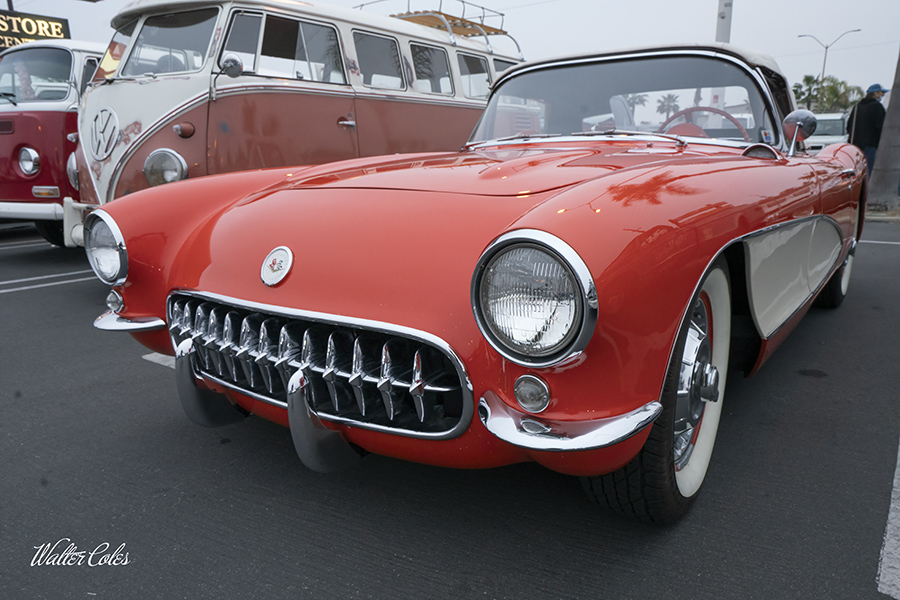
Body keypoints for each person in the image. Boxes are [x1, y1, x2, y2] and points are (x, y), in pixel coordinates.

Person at [847, 83, 890, 177]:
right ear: (875, 93)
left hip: (855, 145)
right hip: (871, 145)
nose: (882, 96)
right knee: (869, 172)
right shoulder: (877, 107)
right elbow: (881, 127)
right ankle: (867, 191)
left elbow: (849, 126)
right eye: (881, 93)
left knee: (858, 172)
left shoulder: (857, 106)